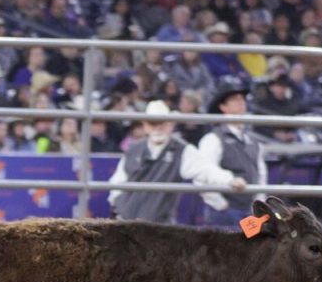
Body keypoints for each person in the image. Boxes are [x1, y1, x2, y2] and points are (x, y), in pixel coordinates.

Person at [109, 100, 246, 223]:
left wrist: (230, 180)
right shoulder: (134, 148)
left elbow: (206, 170)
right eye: (153, 123)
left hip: (157, 226)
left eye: (162, 123)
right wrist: (117, 207)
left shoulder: (182, 150)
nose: (158, 128)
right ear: (145, 125)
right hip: (125, 222)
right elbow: (117, 183)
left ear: (171, 124)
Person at [193, 76, 266, 227]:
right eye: (234, 99)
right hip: (225, 212)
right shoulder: (212, 139)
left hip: (248, 211)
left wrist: (259, 206)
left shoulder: (253, 142)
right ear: (223, 107)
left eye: (242, 98)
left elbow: (261, 176)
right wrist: (221, 206)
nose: (241, 102)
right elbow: (201, 177)